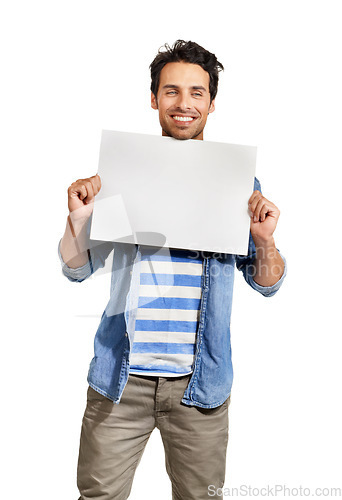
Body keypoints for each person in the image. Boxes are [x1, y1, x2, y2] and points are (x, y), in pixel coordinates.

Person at [58, 40, 287, 500]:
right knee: (97, 496)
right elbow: (77, 269)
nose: (184, 104)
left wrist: (264, 241)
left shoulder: (238, 182)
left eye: (197, 93)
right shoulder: (121, 172)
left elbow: (268, 283)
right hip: (119, 379)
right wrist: (78, 222)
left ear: (212, 102)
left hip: (199, 384)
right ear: (154, 98)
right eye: (172, 91)